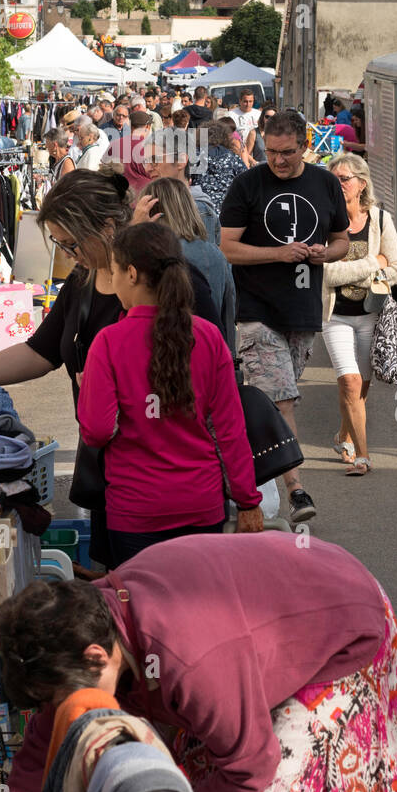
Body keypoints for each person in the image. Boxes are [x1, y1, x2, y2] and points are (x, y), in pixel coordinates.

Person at [0, 169, 226, 566]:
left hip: (175, 483)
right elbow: (41, 352)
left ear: (108, 226)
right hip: (113, 477)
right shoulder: (83, 281)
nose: (68, 253)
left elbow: (213, 373)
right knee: (128, 593)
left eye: (72, 242)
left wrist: (118, 385)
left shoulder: (173, 280)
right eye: (60, 243)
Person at [0, 532, 397, 792]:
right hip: (266, 612)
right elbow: (50, 733)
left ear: (96, 658)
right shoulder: (91, 620)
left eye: (62, 697)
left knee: (280, 784)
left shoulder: (190, 659)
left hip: (344, 617)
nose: (65, 709)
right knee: (199, 761)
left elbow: (252, 770)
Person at [77, 222, 261, 564]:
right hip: (201, 505)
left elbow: (96, 430)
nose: (112, 281)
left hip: (135, 510)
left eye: (114, 271)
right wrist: (248, 501)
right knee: (198, 609)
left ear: (131, 273)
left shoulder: (109, 342)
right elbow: (231, 431)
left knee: (142, 610)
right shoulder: (207, 337)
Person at [219, 109, 351, 527]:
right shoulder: (248, 184)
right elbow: (226, 247)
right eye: (272, 152)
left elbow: (343, 240)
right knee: (281, 398)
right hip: (256, 312)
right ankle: (295, 489)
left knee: (280, 400)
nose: (278, 160)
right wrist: (278, 253)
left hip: (303, 311)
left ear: (305, 147)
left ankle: (246, 475)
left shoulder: (326, 183)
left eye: (288, 153)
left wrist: (323, 254)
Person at [322, 154, 397, 474]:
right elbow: (327, 276)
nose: (337, 185)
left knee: (361, 388)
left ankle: (343, 435)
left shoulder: (380, 220)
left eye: (343, 179)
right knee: (350, 381)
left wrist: (354, 270)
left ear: (361, 184)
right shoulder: (325, 221)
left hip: (371, 315)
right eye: (333, 180)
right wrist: (373, 264)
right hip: (335, 315)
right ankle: (362, 456)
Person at [141, 177, 236, 351]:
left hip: (171, 350)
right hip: (212, 348)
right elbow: (229, 307)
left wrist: (137, 229)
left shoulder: (158, 253)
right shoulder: (215, 253)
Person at [144, 127, 219, 244]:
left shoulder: (198, 210)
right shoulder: (149, 205)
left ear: (180, 160)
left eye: (154, 160)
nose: (148, 168)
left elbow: (202, 259)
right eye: (145, 161)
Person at [195, 120, 247, 212]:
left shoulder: (195, 156)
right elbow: (246, 182)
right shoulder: (233, 158)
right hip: (227, 210)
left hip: (199, 208)